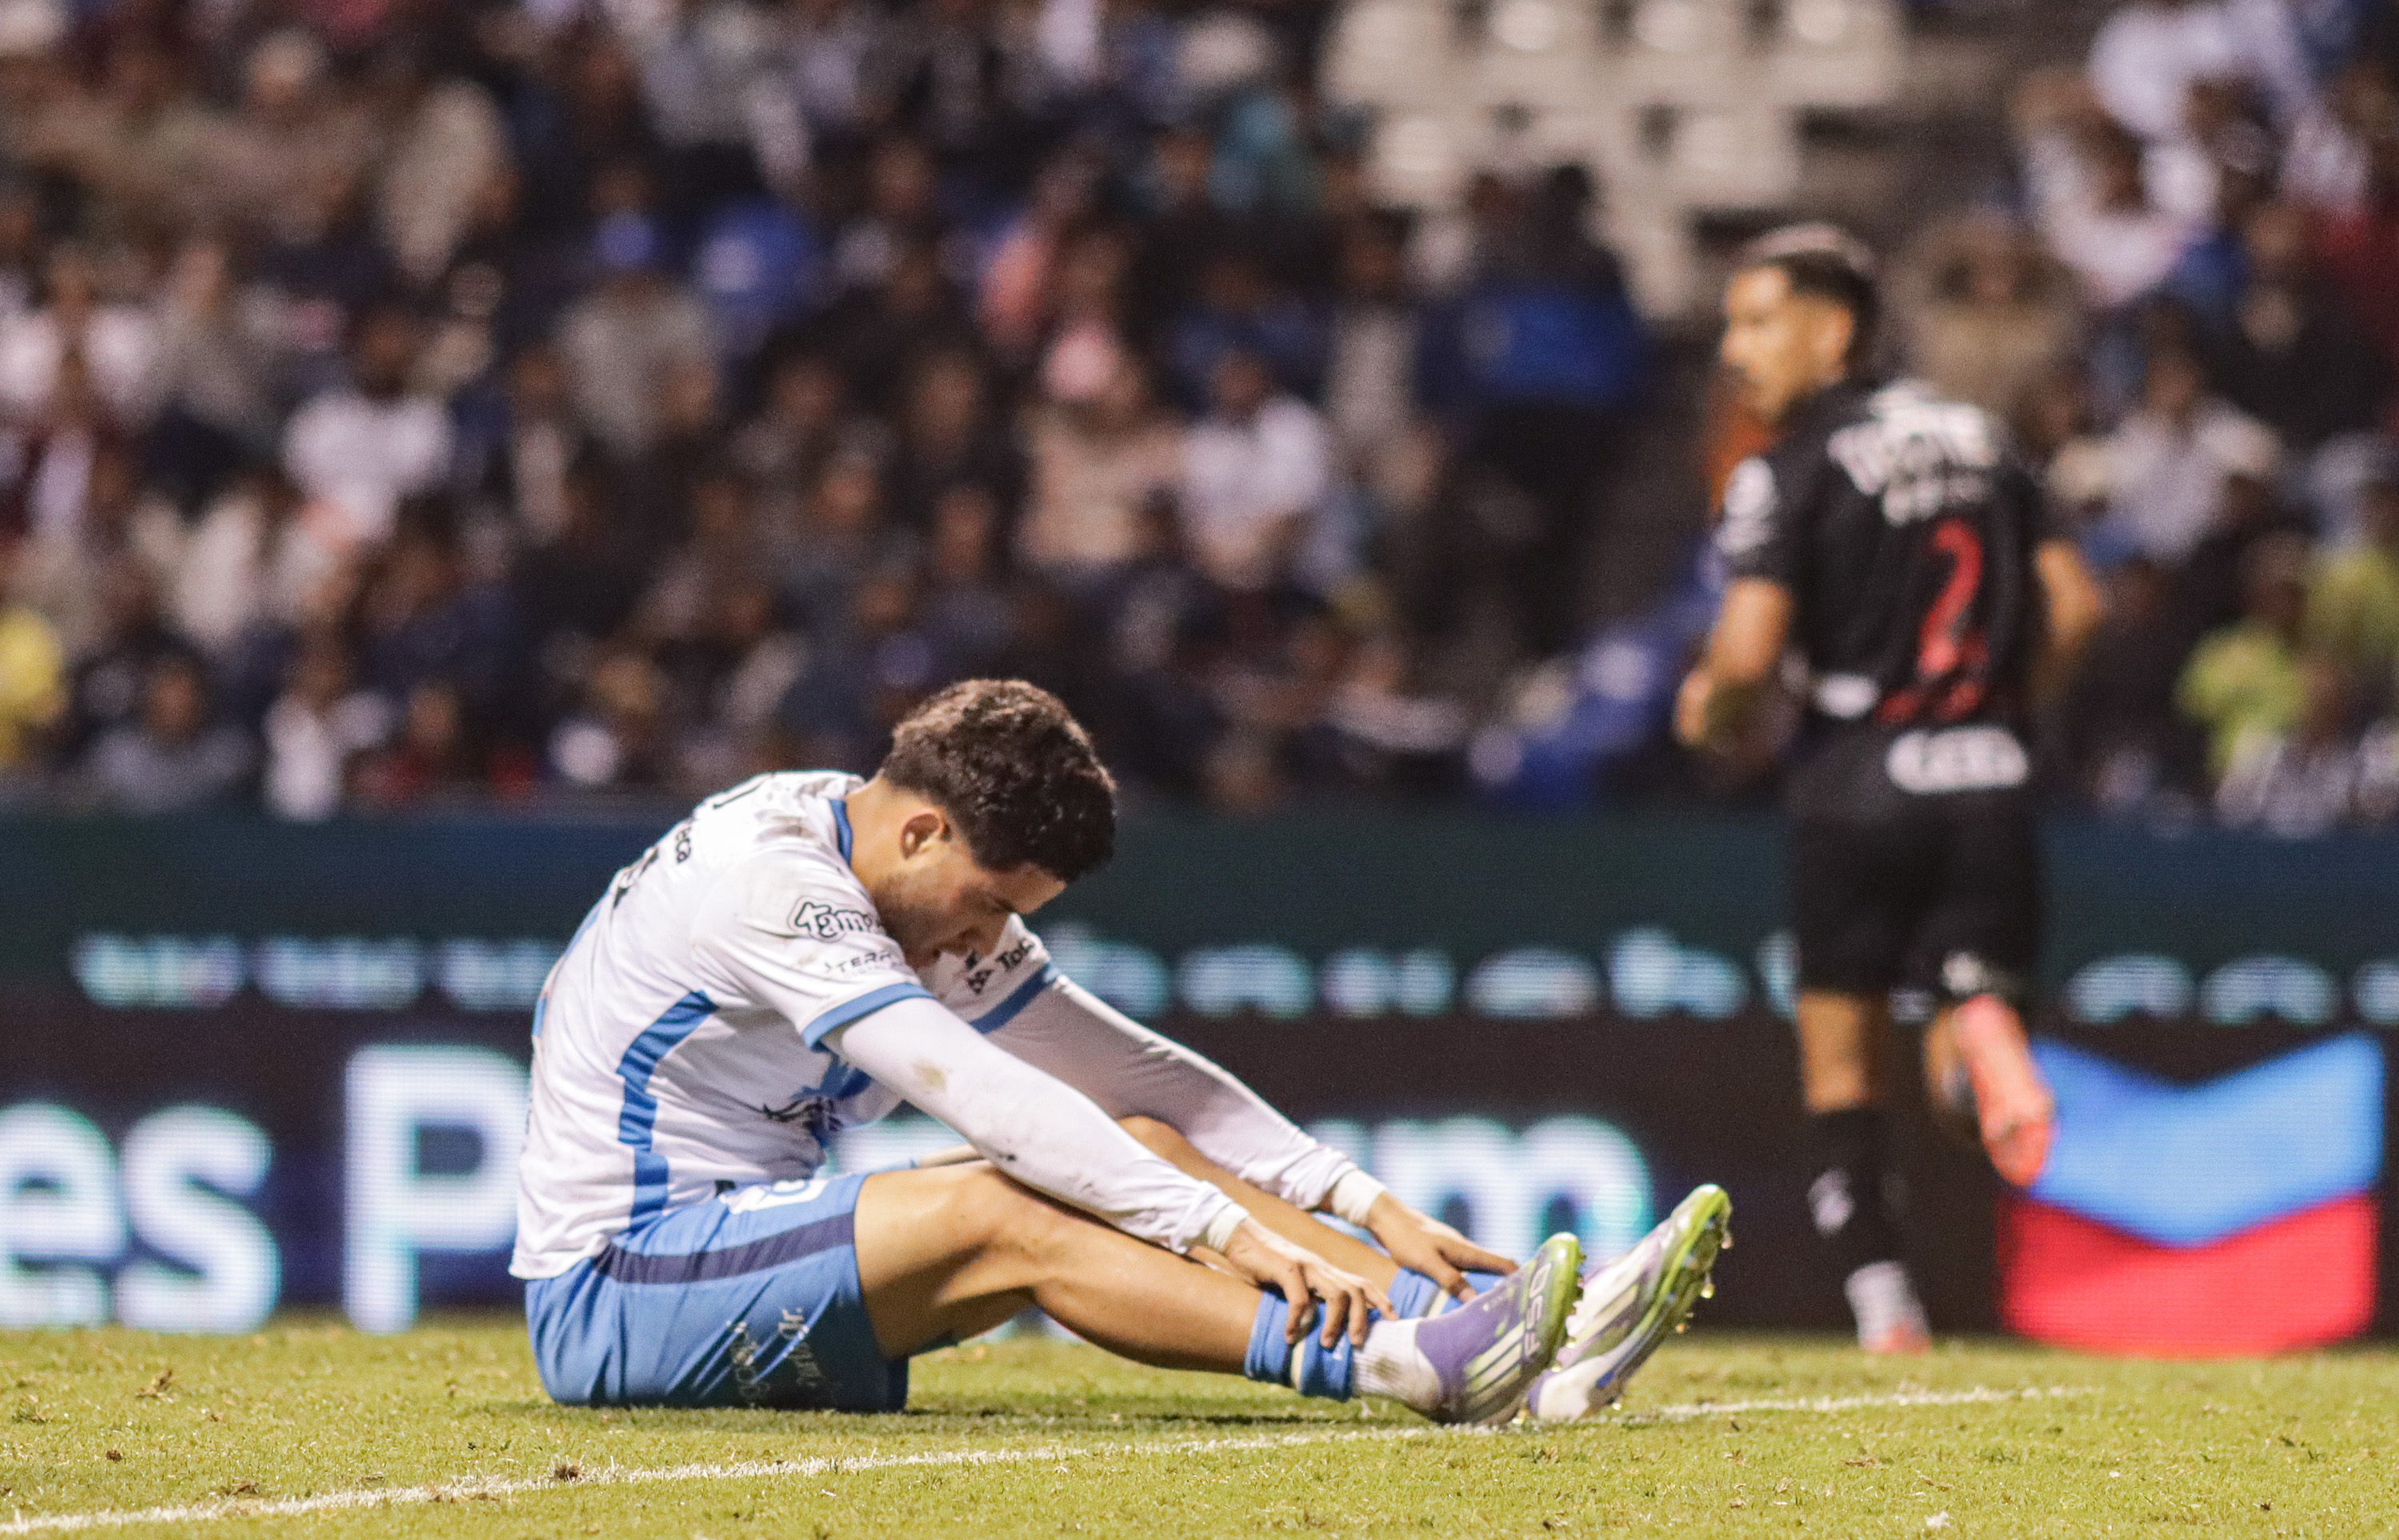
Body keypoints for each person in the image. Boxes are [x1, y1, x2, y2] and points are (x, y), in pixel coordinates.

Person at [513, 679, 1730, 1422]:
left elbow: (1140, 1079)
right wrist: (1211, 1232)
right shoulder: (773, 883)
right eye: (989, 905)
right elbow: (980, 1095)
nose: (985, 940)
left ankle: (1514, 1333)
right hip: (619, 1285)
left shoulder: (889, 858)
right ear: (927, 829)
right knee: (1009, 1204)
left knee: (1140, 1144)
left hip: (741, 1245)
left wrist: (1353, 1198)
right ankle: (1407, 1366)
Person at [1675, 229, 2102, 1353]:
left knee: (1843, 1062)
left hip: (1858, 782)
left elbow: (1750, 656)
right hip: (1991, 779)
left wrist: (1709, 709)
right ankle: (1984, 1022)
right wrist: (2003, 710)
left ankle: (1883, 1306)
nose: (1736, 350)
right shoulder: (1982, 436)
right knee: (1966, 1058)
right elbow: (2077, 608)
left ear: (1835, 329)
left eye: (1760, 323)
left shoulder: (1787, 467)